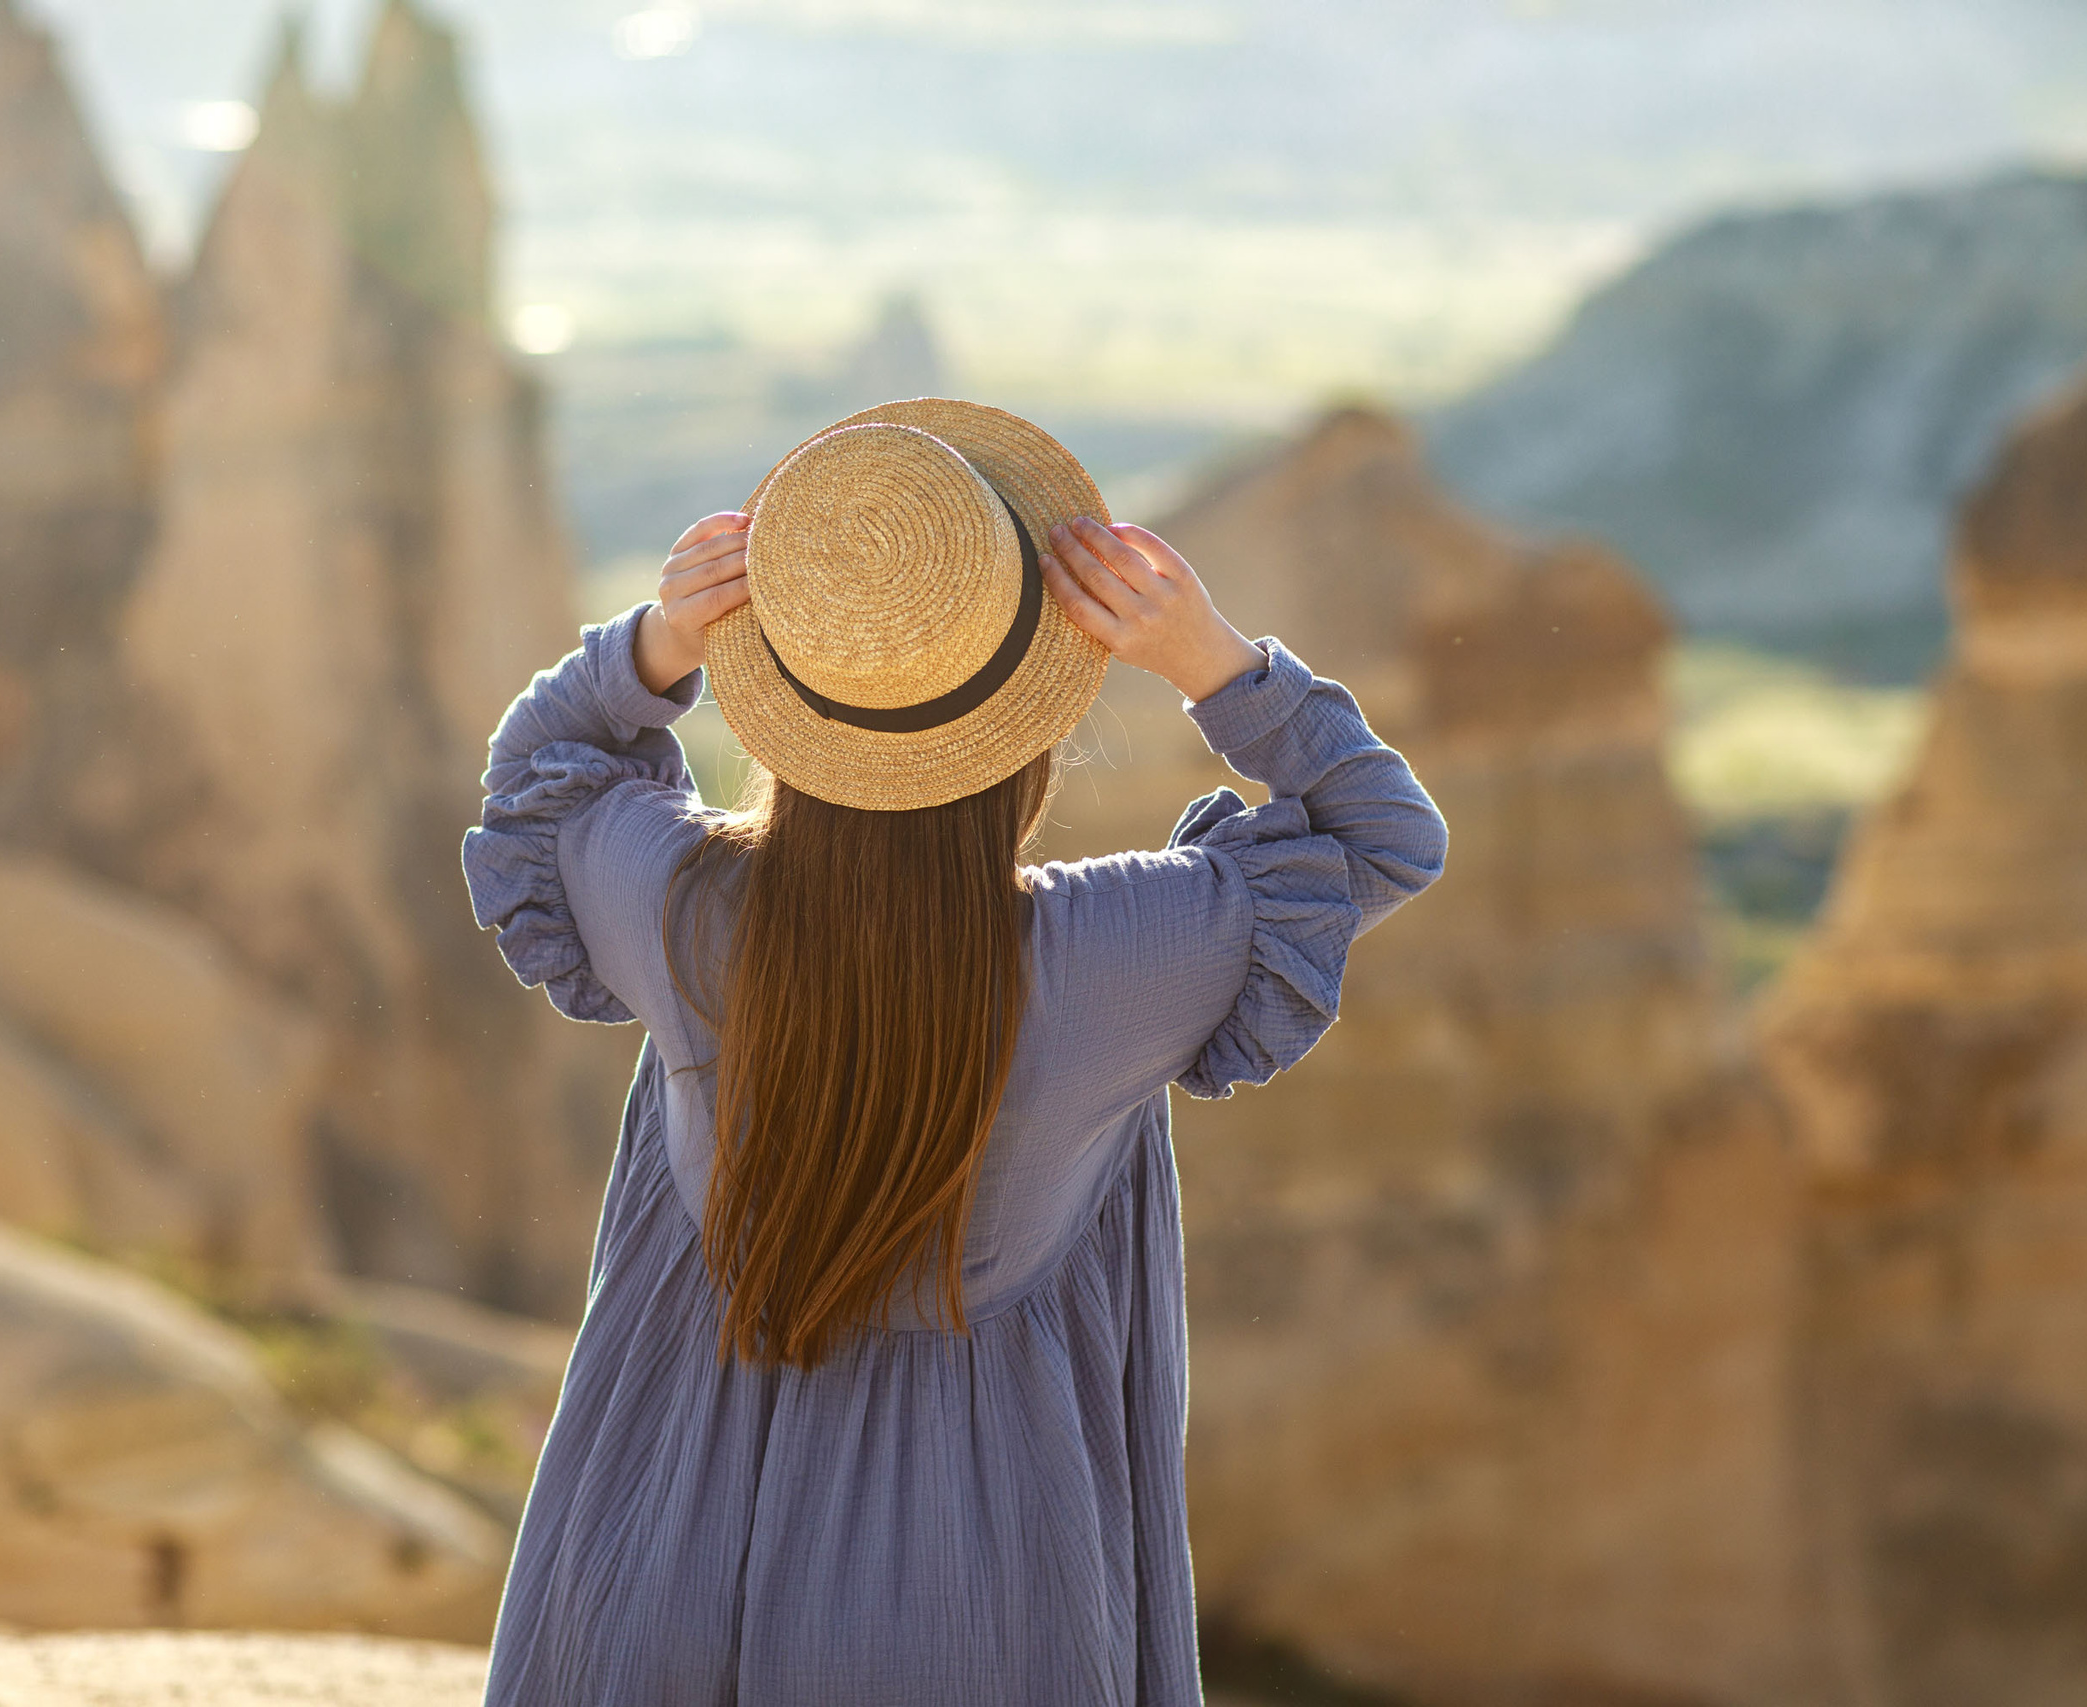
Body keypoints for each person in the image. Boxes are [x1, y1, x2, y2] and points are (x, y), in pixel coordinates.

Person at [463, 400, 1446, 1705]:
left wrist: (653, 644)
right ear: (1027, 735)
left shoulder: (672, 905)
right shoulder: (1121, 953)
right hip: (985, 1594)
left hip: (654, 1570)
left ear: (782, 711)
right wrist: (1211, 659)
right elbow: (1383, 836)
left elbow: (545, 778)